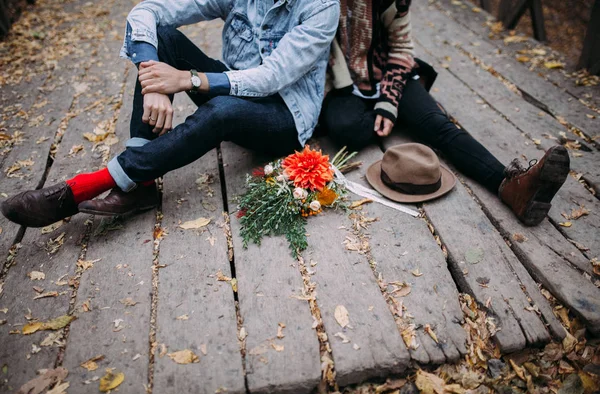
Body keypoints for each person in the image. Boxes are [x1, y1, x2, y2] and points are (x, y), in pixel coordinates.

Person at [1, 0, 340, 227]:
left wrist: (185, 79)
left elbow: (272, 78)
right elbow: (149, 11)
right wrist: (154, 82)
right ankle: (142, 184)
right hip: (233, 93)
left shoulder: (321, 7)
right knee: (162, 37)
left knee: (221, 110)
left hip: (284, 117)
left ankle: (82, 188)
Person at [320, 0, 570, 226]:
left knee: (439, 126)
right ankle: (404, 119)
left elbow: (401, 48)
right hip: (344, 86)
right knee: (345, 129)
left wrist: (389, 101)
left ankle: (513, 187)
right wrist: (338, 91)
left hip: (391, 76)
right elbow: (317, 47)